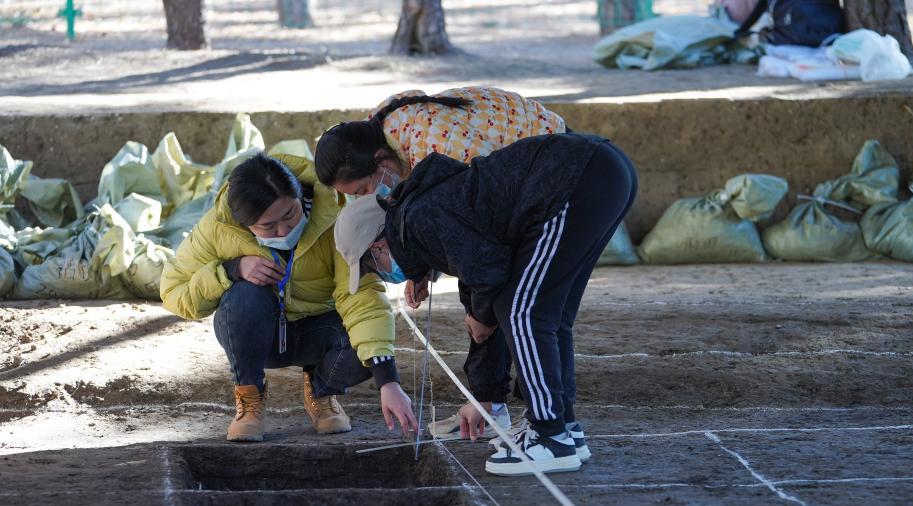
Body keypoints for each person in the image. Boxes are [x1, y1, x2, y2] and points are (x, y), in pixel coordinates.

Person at [334, 133, 638, 475]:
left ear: (378, 245)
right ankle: (563, 427)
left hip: (573, 179)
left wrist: (480, 315)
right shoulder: (427, 213)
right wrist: (486, 393)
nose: (384, 273)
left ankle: (550, 436)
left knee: (522, 311)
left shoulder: (422, 219)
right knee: (545, 313)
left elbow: (489, 277)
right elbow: (482, 279)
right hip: (602, 170)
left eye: (373, 266)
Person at [314, 86, 567, 440]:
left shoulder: (433, 145)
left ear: (381, 160)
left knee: (513, 305)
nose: (368, 200)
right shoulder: (390, 137)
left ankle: (539, 423)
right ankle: (497, 406)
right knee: (497, 297)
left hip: (554, 173)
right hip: (530, 180)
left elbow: (477, 246)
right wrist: (420, 267)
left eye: (362, 190)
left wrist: (479, 315)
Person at [160, 152, 418, 442]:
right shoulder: (219, 227)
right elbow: (173, 292)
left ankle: (321, 392)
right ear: (244, 223)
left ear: (299, 195)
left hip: (319, 330)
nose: (284, 230)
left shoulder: (335, 216)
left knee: (363, 347)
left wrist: (388, 381)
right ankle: (249, 397)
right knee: (244, 295)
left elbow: (360, 296)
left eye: (290, 214)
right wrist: (230, 269)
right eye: (268, 227)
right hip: (261, 333)